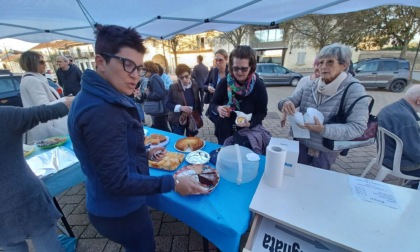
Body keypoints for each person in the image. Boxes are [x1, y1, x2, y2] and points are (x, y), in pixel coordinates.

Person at [67, 24, 206, 251]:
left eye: (139, 68)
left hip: (107, 205)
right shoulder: (101, 110)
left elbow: (108, 152)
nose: (135, 76)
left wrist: (142, 151)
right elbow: (117, 181)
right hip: (120, 211)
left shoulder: (98, 95)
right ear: (100, 62)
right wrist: (173, 182)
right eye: (127, 64)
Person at [278, 43, 369, 170]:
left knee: (316, 183)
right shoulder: (312, 85)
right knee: (297, 177)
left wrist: (323, 129)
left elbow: (357, 127)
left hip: (326, 149)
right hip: (301, 143)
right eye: (320, 62)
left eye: (330, 62)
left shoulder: (354, 90)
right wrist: (285, 104)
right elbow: (289, 100)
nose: (323, 66)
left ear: (344, 65)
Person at [0, 98, 73, 252]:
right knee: (47, 243)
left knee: (12, 247)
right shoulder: (5, 115)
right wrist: (75, 99)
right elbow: (45, 112)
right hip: (28, 197)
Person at [209, 45, 268, 145]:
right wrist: (218, 109)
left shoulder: (259, 86)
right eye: (236, 68)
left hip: (248, 133)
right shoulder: (224, 83)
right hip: (224, 132)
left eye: (244, 69)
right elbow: (213, 104)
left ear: (251, 68)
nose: (239, 73)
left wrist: (250, 123)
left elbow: (262, 112)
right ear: (231, 66)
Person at [19, 51, 69, 141]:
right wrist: (66, 101)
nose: (45, 64)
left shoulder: (34, 78)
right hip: (48, 125)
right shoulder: (31, 80)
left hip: (49, 123)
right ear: (32, 63)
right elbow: (44, 106)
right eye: (41, 62)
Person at [378, 85, 420, 186]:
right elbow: (416, 154)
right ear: (419, 100)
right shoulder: (406, 119)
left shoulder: (392, 108)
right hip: (400, 163)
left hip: (387, 156)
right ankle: (413, 195)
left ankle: (412, 187)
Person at [281, 57, 320, 127]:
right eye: (318, 64)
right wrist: (284, 113)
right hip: (301, 123)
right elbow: (291, 100)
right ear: (314, 65)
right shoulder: (305, 81)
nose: (320, 68)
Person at [166, 64, 202, 136]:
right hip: (178, 119)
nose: (184, 79)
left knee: (191, 140)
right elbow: (168, 104)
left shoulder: (195, 85)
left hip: (191, 118)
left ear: (190, 75)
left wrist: (200, 114)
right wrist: (180, 108)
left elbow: (197, 101)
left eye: (186, 76)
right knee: (178, 140)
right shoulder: (173, 87)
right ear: (178, 77)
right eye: (181, 77)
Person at [142, 61, 171, 132]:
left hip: (159, 111)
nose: (142, 71)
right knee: (162, 128)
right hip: (160, 109)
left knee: (162, 130)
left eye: (143, 69)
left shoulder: (153, 78)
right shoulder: (155, 77)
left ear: (148, 69)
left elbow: (159, 94)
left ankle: (170, 140)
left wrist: (148, 93)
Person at [203, 49, 229, 124]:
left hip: (227, 105)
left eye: (220, 60)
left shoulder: (231, 72)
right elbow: (203, 85)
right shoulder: (213, 71)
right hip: (215, 105)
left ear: (226, 59)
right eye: (216, 60)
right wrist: (208, 88)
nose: (218, 63)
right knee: (217, 125)